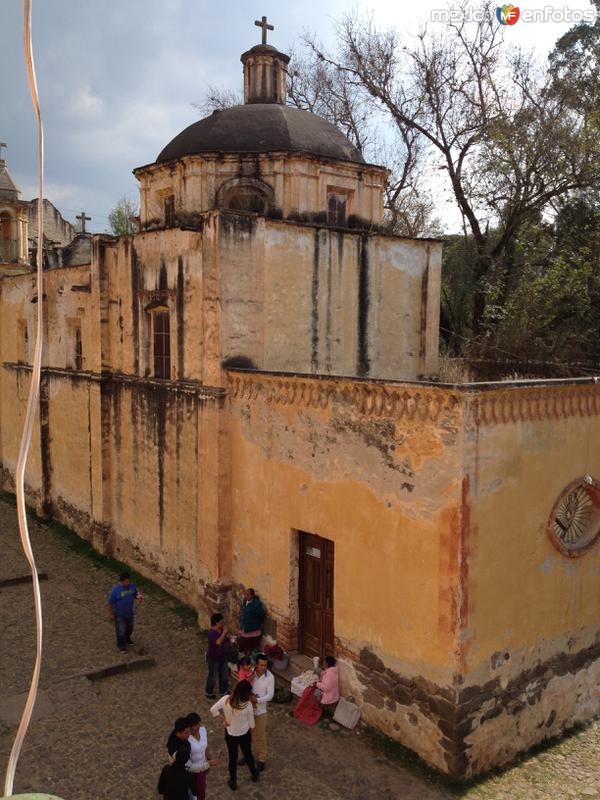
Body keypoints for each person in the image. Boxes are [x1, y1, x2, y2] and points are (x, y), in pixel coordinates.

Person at [210, 679, 259, 790]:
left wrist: (224, 720)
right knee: (248, 754)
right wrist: (252, 735)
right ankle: (254, 774)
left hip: (231, 735)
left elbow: (213, 710)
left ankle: (233, 781)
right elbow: (252, 724)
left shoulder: (225, 700)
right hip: (244, 734)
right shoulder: (247, 706)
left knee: (233, 758)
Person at [107, 571, 142, 653]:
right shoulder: (116, 590)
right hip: (119, 614)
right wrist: (111, 613)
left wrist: (139, 597)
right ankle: (121, 645)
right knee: (121, 630)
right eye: (127, 581)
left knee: (130, 627)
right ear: (122, 581)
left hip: (129, 612)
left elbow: (136, 593)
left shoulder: (132, 587)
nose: (128, 583)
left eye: (129, 581)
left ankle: (127, 639)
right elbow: (110, 602)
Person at [250, 653, 274, 771]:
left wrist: (257, 700)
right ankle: (248, 755)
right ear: (256, 664)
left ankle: (262, 758)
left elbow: (270, 696)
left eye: (265, 665)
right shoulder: (250, 672)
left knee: (260, 735)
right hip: (248, 709)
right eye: (261, 665)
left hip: (260, 711)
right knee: (247, 734)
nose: (263, 667)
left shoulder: (270, 677)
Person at [158, 717, 192, 800]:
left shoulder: (166, 770)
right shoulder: (187, 774)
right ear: (179, 733)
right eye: (186, 733)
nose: (189, 735)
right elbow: (194, 790)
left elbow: (161, 789)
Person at [186, 712, 213, 800]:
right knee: (193, 792)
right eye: (195, 725)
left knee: (201, 791)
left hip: (203, 767)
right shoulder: (187, 739)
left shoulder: (202, 730)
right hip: (192, 770)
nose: (198, 727)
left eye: (199, 724)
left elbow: (206, 747)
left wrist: (209, 761)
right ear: (190, 726)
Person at [205, 612, 229, 699]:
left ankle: (224, 691)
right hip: (213, 659)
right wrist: (224, 633)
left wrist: (230, 638)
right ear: (216, 623)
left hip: (223, 657)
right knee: (213, 676)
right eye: (221, 622)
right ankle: (208, 692)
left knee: (224, 675)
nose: (223, 623)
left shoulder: (221, 630)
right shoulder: (211, 633)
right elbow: (218, 642)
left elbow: (224, 640)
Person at [238, 588, 265, 654]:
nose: (246, 596)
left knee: (250, 646)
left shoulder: (256, 604)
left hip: (252, 628)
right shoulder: (245, 601)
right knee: (243, 645)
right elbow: (244, 613)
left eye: (248, 595)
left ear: (252, 595)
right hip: (245, 626)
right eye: (245, 594)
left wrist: (256, 622)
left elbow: (262, 614)